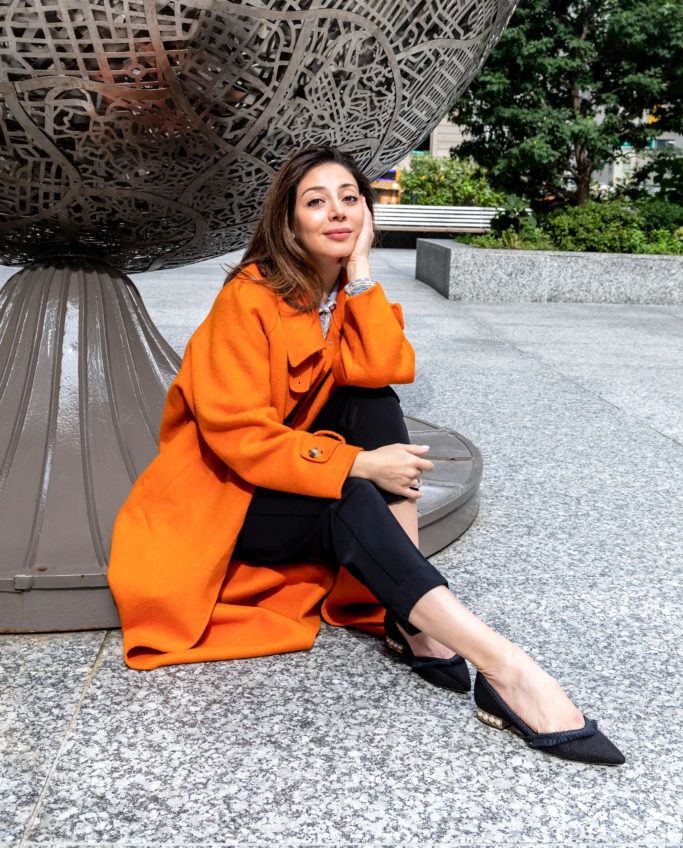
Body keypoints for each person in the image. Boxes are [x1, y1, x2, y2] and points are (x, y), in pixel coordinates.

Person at [108, 145, 624, 767]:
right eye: (315, 201)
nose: (336, 213)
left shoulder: (340, 290)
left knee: (372, 398)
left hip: (287, 471)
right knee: (348, 492)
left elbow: (387, 366)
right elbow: (238, 437)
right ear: (288, 220)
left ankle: (411, 622)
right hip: (222, 498)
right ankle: (506, 666)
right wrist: (357, 464)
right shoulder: (246, 298)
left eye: (349, 198)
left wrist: (361, 273)